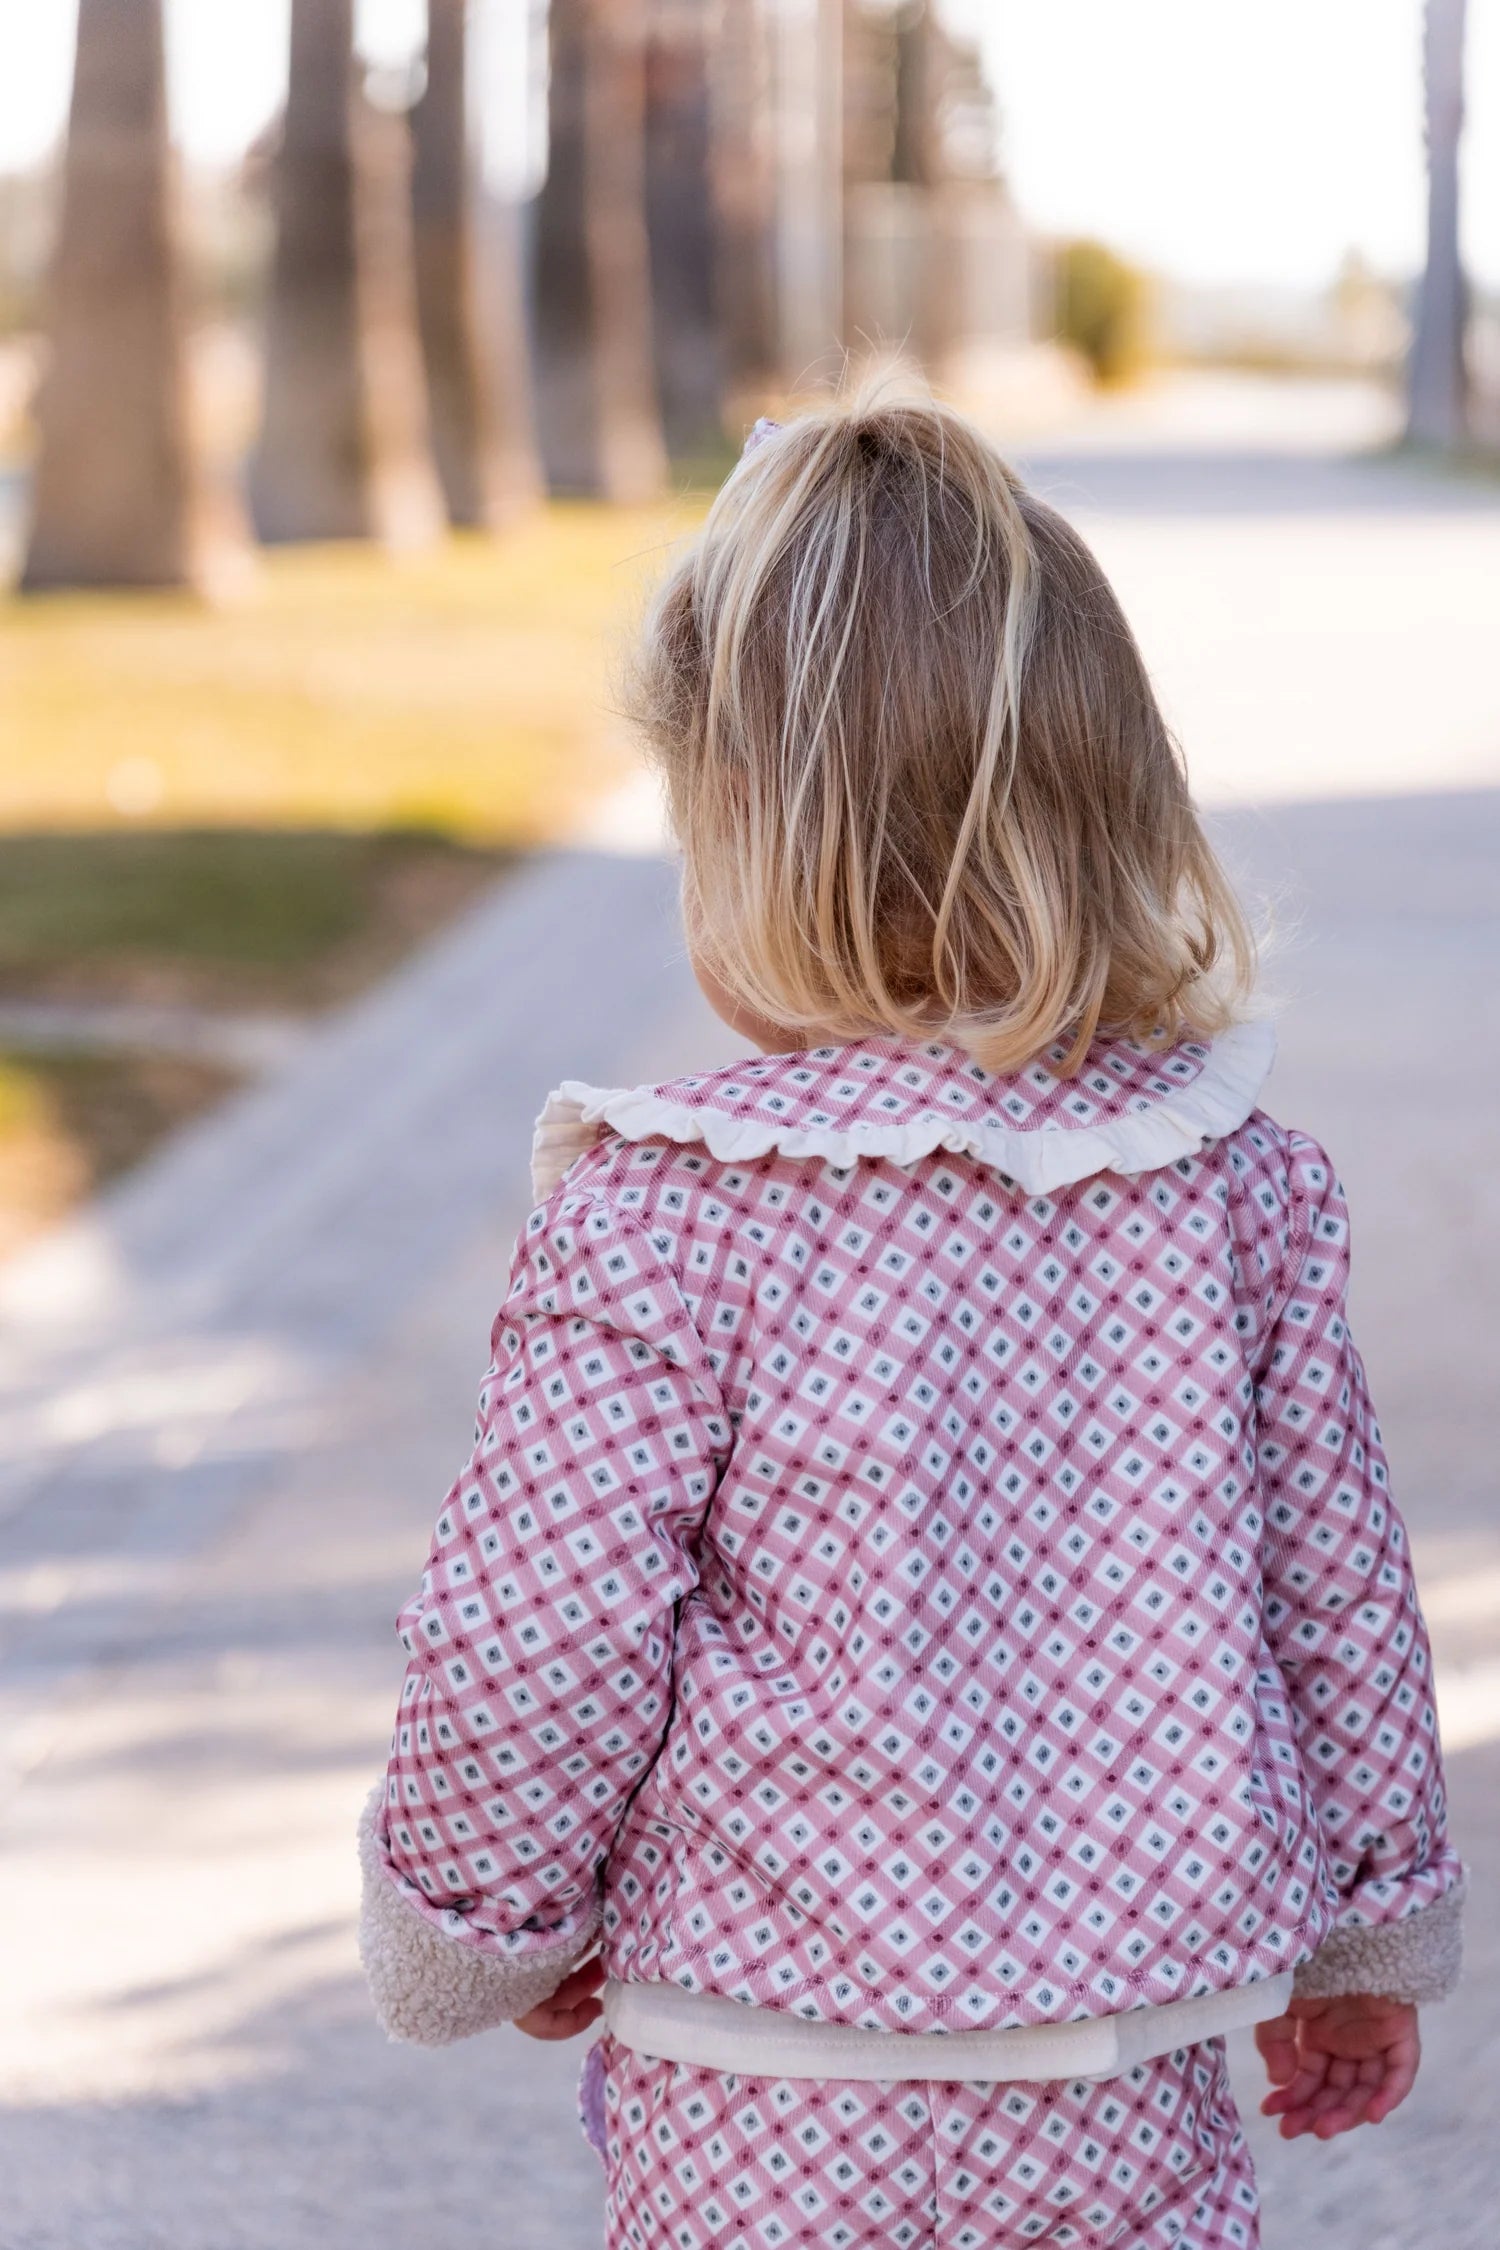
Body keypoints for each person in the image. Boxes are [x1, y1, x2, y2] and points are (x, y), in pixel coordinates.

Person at [357, 395, 1464, 2249]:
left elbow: (540, 1628)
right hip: (1121, 2068)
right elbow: (1332, 1589)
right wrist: (1360, 1931)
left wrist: (496, 1916)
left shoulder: (669, 1209)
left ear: (743, 829)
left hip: (755, 2075)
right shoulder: (1214, 1181)